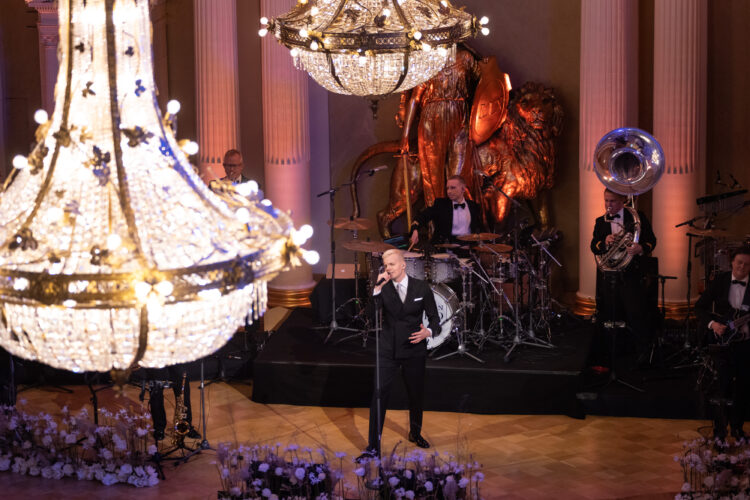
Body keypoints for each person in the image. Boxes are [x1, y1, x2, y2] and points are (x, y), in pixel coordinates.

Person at [362, 249, 441, 457]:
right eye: (385, 265)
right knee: (378, 396)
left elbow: (435, 320)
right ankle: (373, 447)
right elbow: (369, 315)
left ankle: (415, 433)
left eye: (392, 265)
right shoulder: (383, 288)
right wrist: (376, 290)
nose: (388, 268)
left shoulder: (421, 287)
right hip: (388, 350)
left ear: (402, 265)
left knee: (415, 395)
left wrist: (428, 332)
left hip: (414, 350)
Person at [590, 188, 657, 366]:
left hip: (631, 275)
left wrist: (640, 248)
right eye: (606, 201)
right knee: (610, 313)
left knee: (636, 313)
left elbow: (652, 240)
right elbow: (593, 246)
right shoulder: (600, 221)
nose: (608, 205)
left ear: (622, 201)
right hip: (610, 275)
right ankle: (612, 353)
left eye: (612, 201)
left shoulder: (638, 217)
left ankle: (642, 353)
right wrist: (604, 242)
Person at [695, 245, 750, 440]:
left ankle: (737, 428)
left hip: (746, 345)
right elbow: (699, 308)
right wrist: (713, 325)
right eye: (739, 263)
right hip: (722, 344)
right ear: (732, 263)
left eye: (746, 264)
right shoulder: (720, 281)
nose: (742, 267)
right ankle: (719, 432)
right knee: (721, 388)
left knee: (743, 389)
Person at [409, 175, 483, 247]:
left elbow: (479, 229)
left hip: (467, 251)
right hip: (444, 250)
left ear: (463, 189)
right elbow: (423, 216)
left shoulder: (473, 206)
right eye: (447, 188)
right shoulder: (440, 204)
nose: (449, 191)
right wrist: (415, 229)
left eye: (452, 188)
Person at [146, 364, 201, 442]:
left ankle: (185, 426)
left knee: (184, 393)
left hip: (176, 358)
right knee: (156, 395)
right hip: (156, 358)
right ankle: (159, 429)